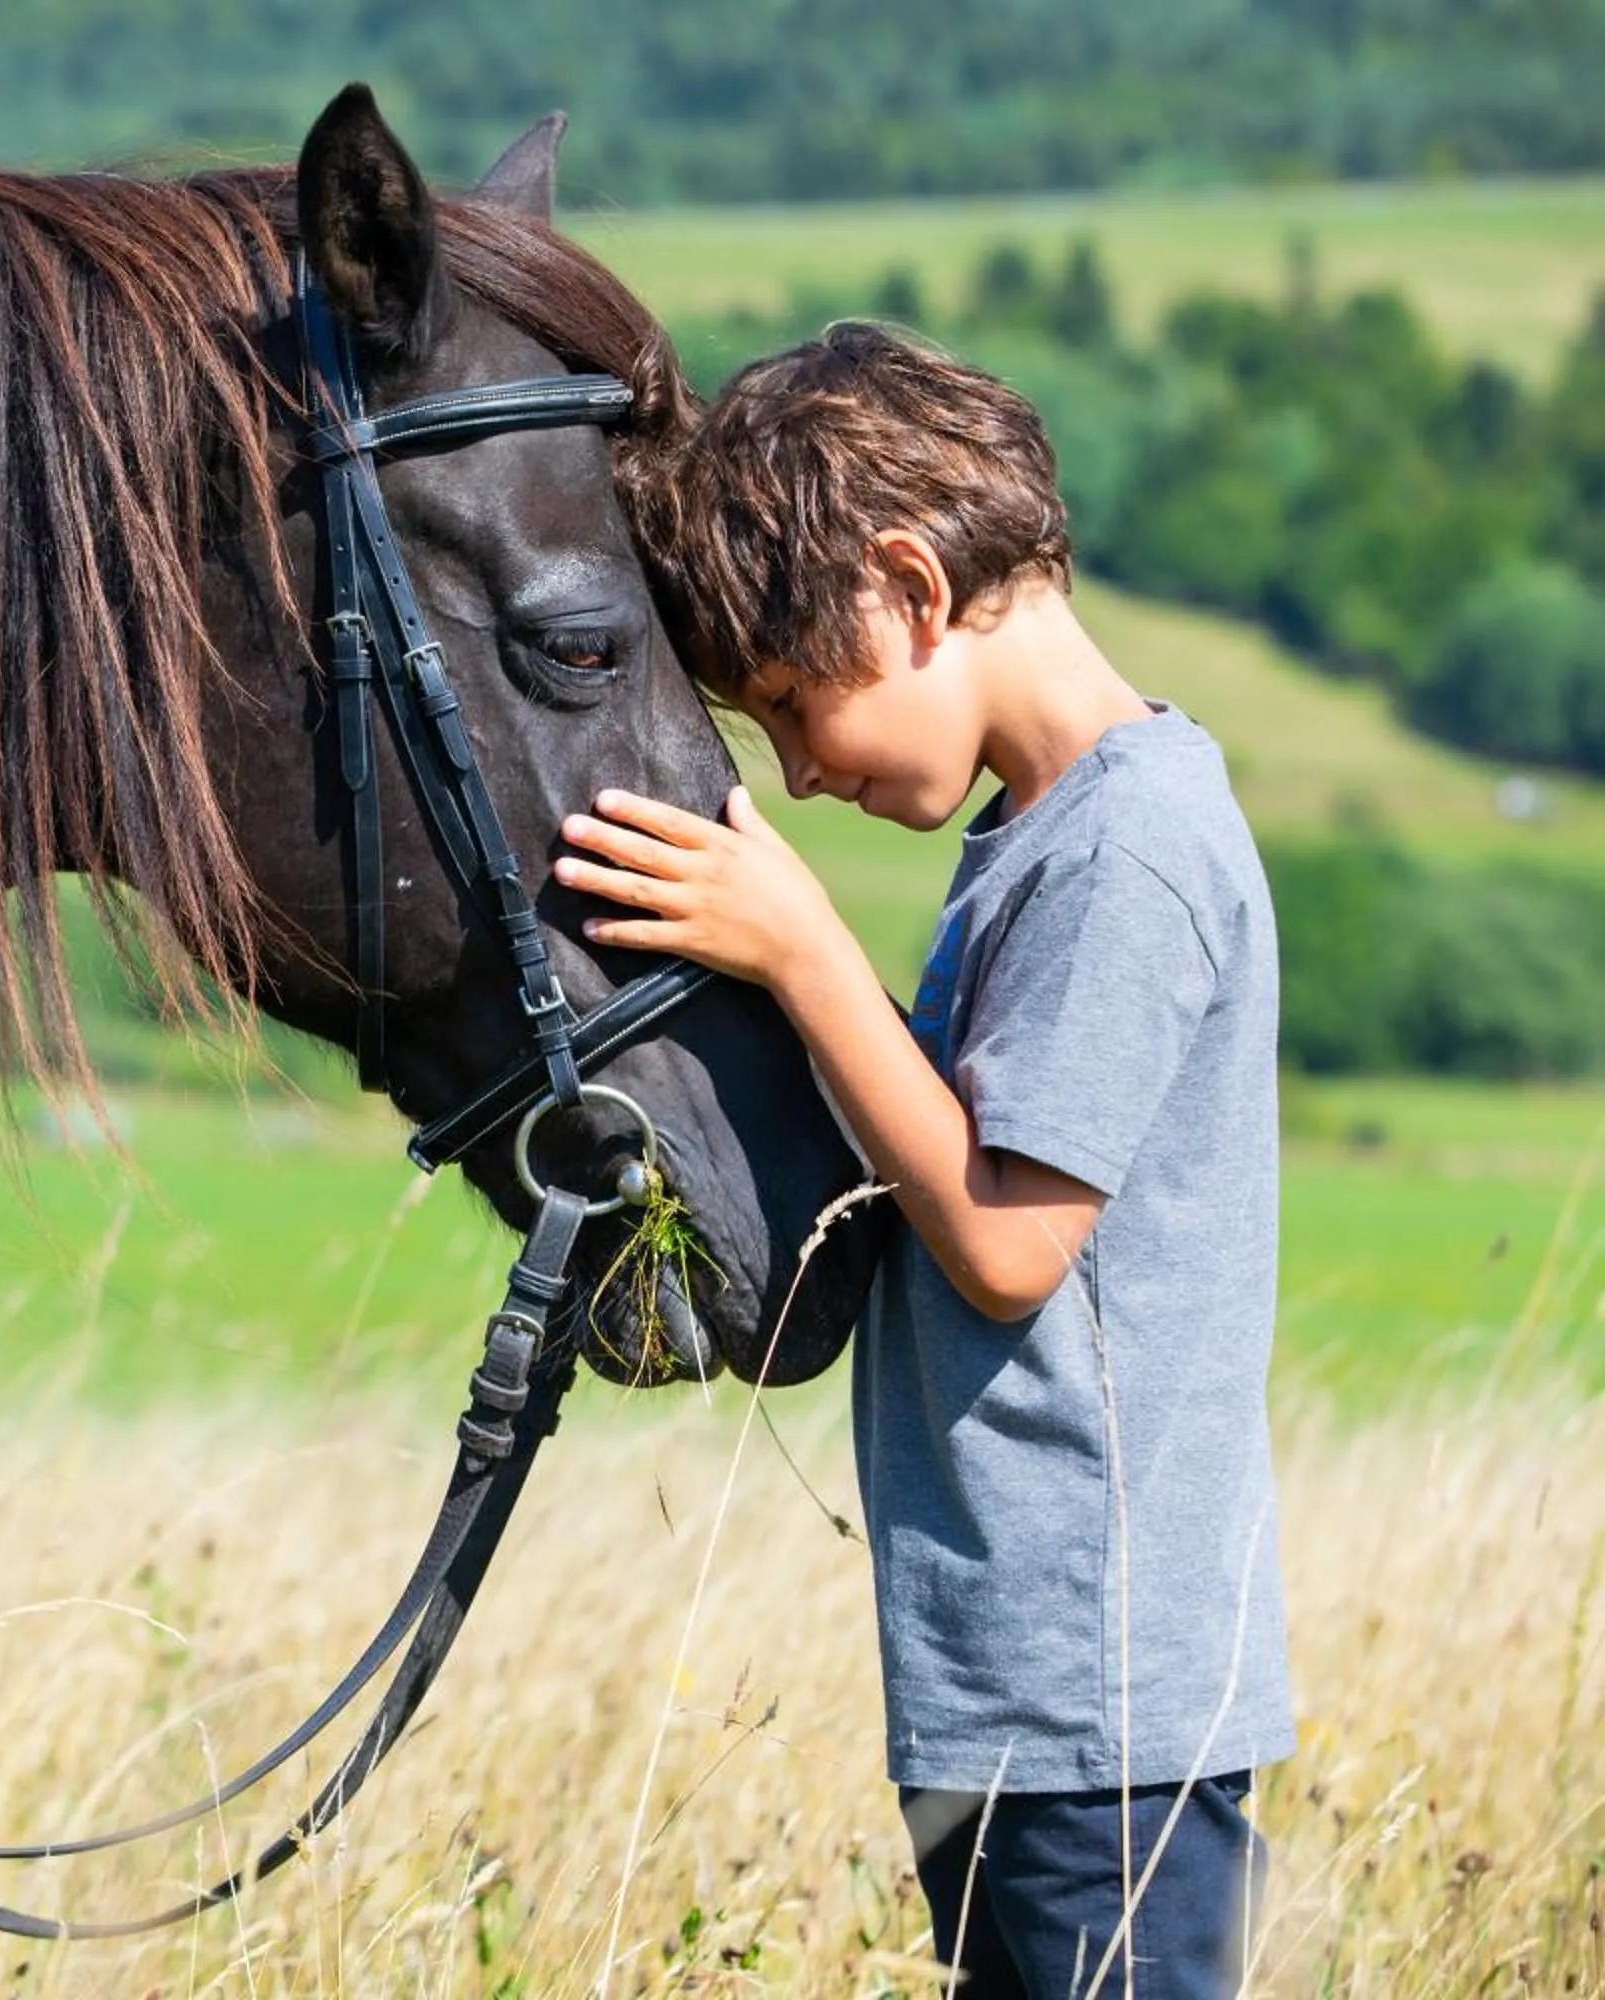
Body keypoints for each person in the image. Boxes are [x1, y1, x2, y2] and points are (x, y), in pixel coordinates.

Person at [556, 321, 1293, 1997]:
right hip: (1014, 1694)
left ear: (906, 587)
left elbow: (1013, 1239)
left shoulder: (1132, 849)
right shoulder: (1042, 837)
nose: (804, 773)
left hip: (1101, 1721)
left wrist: (807, 957)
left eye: (798, 710)